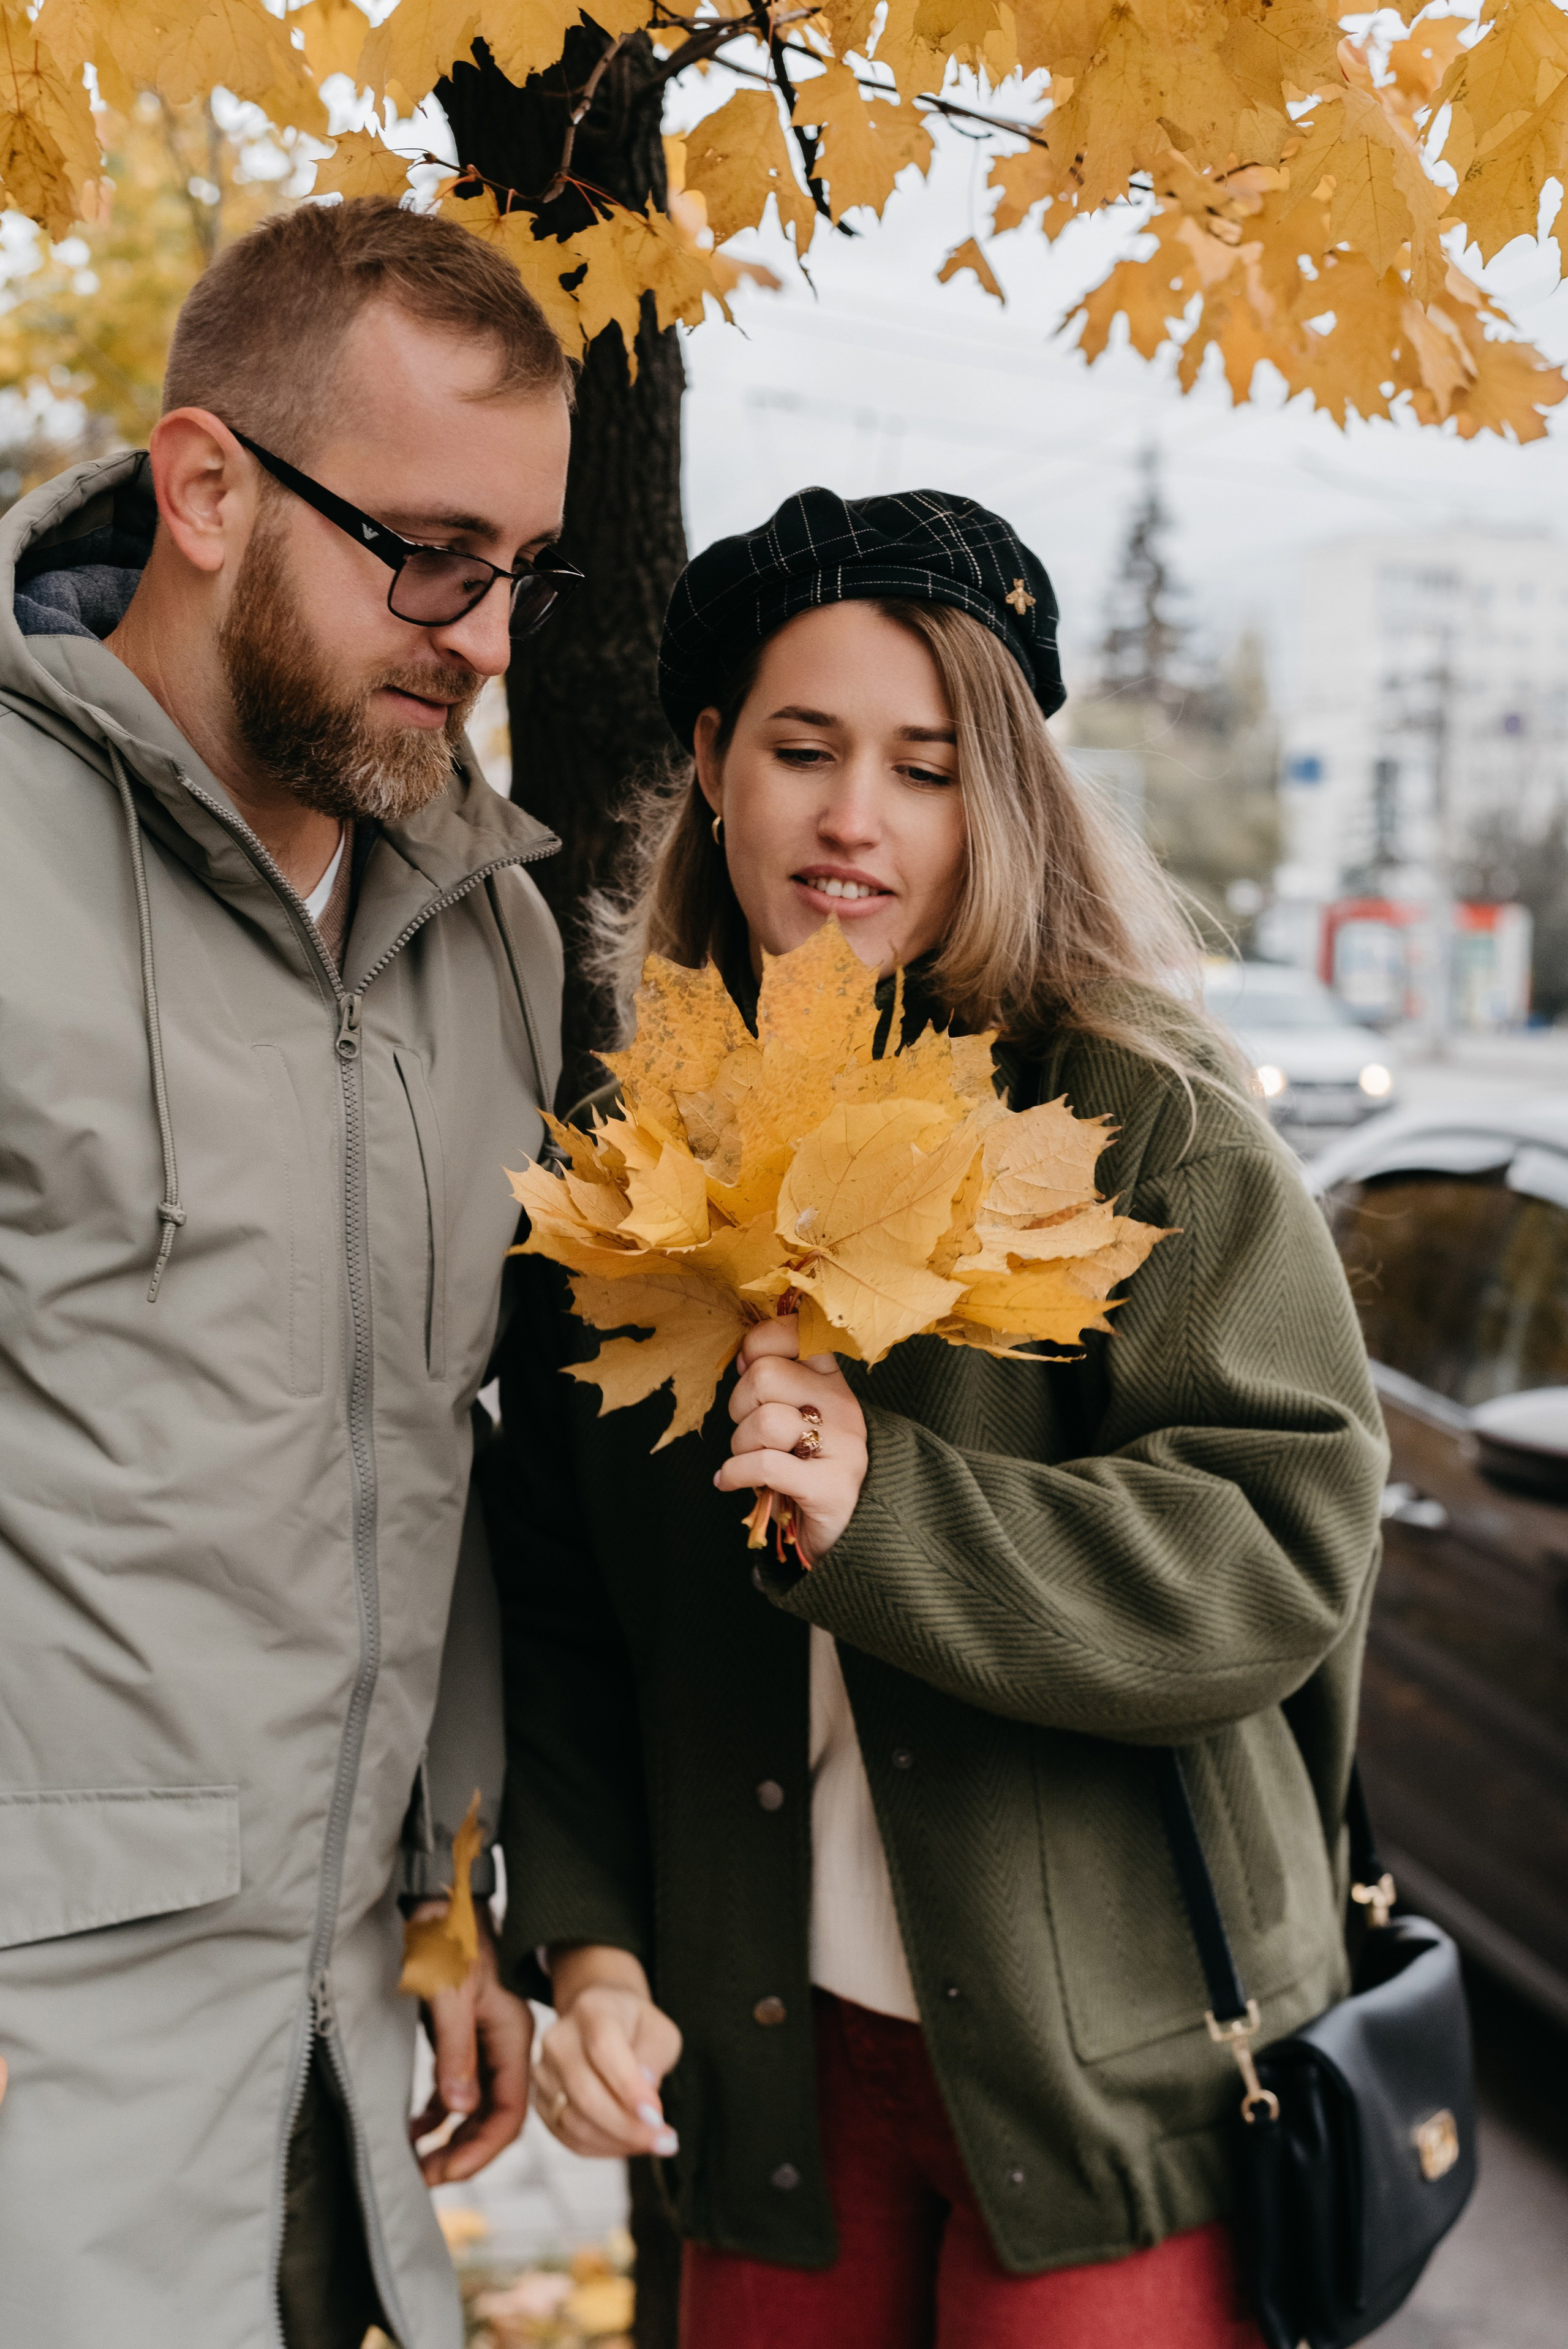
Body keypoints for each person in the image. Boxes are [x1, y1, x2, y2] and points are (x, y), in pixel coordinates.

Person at [483, 490, 1389, 2349]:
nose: (853, 816)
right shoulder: (625, 1172)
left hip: (1116, 2083)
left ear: (1005, 798)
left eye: (927, 764)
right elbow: (561, 1610)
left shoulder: (1148, 1120)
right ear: (716, 765)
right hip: (764, 2083)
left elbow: (1283, 1539)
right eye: (804, 749)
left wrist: (894, 1508)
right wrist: (587, 1949)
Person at [0, 197, 575, 2349]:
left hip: (344, 2061)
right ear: (209, 487)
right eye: (431, 555)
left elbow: (431, 1461)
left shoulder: (488, 931)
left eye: (522, 571)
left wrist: (457, 1915)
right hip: (49, 2082)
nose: (486, 635)